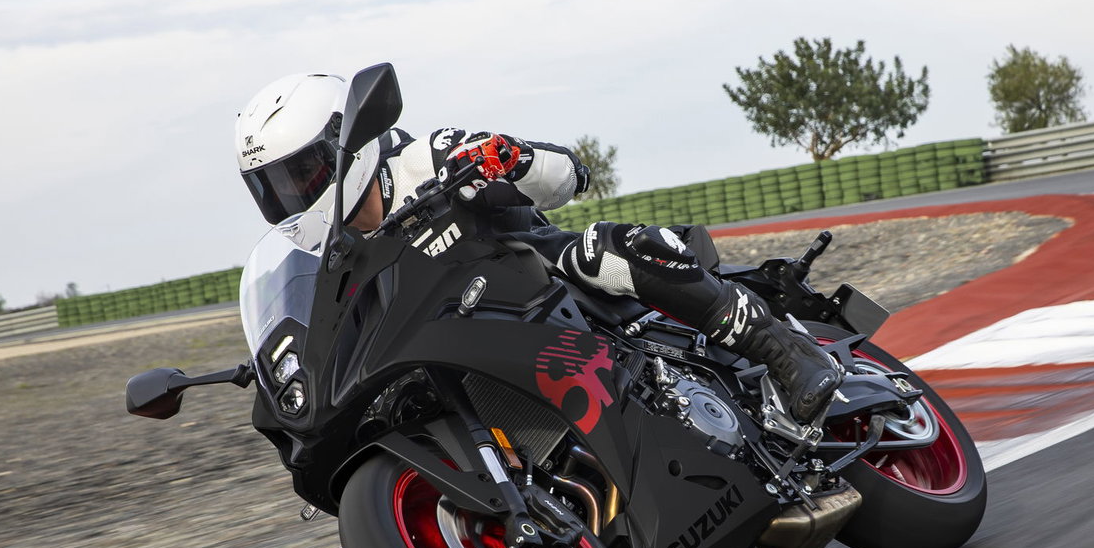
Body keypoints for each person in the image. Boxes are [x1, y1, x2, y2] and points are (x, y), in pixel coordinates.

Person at [234, 72, 841, 423]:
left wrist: (511, 159)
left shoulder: (427, 156)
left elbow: (570, 176)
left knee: (601, 249)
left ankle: (785, 352)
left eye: (305, 173)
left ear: (347, 142)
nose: (295, 196)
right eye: (276, 187)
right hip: (453, 339)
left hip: (538, 279)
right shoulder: (326, 261)